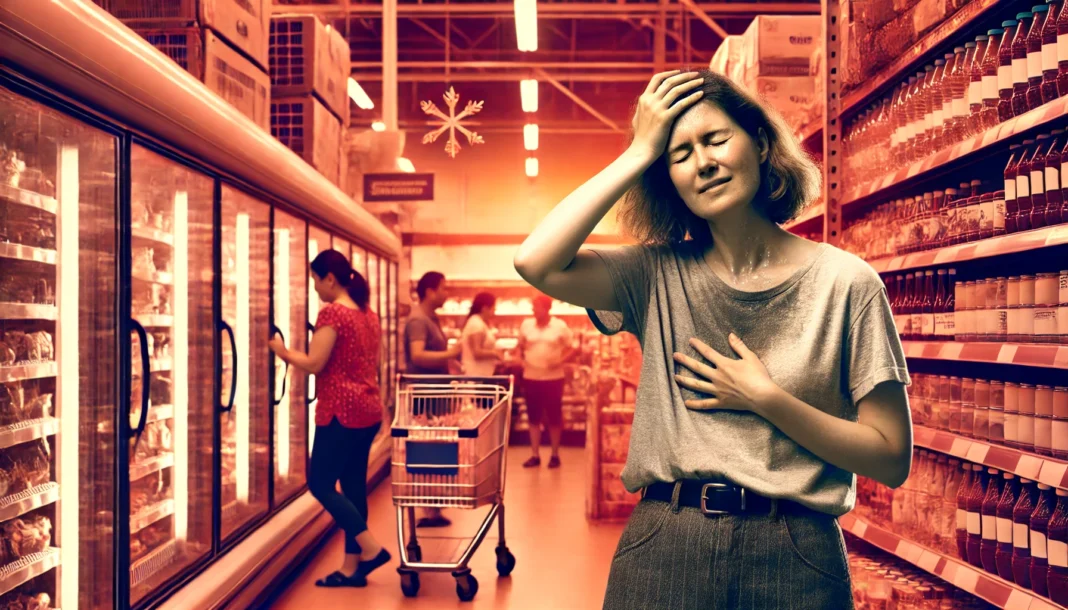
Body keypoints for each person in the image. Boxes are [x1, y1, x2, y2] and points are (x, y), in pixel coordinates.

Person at [514, 69, 912, 609]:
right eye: (677, 155)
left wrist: (766, 399)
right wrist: (638, 152)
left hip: (797, 551)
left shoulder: (846, 283)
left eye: (716, 139)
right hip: (665, 539)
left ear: (761, 142)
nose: (702, 162)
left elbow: (891, 457)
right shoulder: (652, 276)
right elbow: (535, 260)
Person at [268, 249, 391, 588]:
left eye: (315, 281)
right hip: (368, 411)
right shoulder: (368, 314)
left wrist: (281, 351)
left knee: (320, 483)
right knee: (352, 488)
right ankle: (352, 569)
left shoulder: (333, 314)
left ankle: (371, 548)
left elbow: (314, 363)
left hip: (341, 412)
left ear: (330, 279)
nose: (315, 288)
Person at [403, 270, 459, 528]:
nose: (446, 293)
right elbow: (417, 356)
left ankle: (434, 508)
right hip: (426, 397)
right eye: (443, 288)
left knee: (437, 448)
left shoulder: (430, 318)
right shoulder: (418, 320)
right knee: (428, 449)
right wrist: (451, 353)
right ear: (429, 291)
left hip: (436, 394)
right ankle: (428, 507)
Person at [518, 295, 574, 469]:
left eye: (537, 307)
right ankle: (535, 455)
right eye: (533, 307)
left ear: (547, 308)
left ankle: (555, 454)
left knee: (554, 417)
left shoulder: (560, 326)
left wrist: (560, 361)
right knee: (533, 417)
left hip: (553, 378)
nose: (534, 310)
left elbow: (572, 348)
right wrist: (521, 361)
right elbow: (519, 348)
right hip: (531, 377)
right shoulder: (526, 325)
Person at [460, 292, 500, 377]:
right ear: (485, 308)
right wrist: (495, 353)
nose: (494, 312)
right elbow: (476, 352)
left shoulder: (478, 322)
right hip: (476, 375)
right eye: (493, 308)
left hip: (481, 374)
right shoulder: (476, 324)